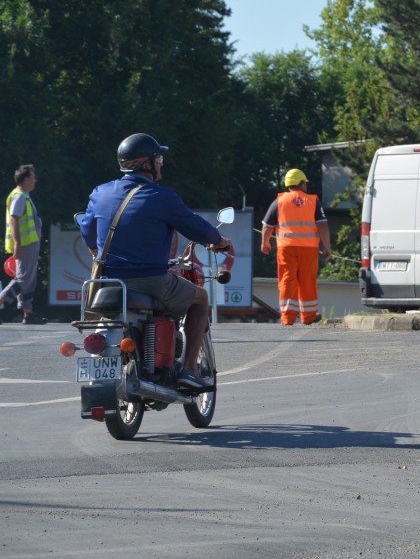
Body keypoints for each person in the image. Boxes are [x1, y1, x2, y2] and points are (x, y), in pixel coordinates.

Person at [80, 134, 231, 389]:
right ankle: (190, 369)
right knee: (201, 299)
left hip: (107, 282)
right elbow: (197, 227)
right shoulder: (161, 197)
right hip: (150, 280)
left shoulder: (101, 192)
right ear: (145, 163)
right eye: (158, 158)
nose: (161, 163)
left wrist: (97, 251)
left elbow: (87, 230)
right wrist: (219, 240)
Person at [261, 168, 332, 325]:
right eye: (305, 183)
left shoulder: (279, 201)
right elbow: (323, 226)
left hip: (287, 249)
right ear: (301, 184)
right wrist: (327, 247)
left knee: (287, 280)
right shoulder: (313, 201)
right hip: (309, 249)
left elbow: (267, 226)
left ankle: (287, 317)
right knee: (307, 280)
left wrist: (265, 243)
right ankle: (309, 316)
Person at [2, 165, 47, 324]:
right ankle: (1, 300)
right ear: (26, 179)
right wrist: (18, 244)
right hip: (25, 244)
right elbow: (14, 219)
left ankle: (28, 313)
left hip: (29, 243)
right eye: (33, 177)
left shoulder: (24, 196)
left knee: (29, 279)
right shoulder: (19, 196)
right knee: (23, 278)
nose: (35, 180)